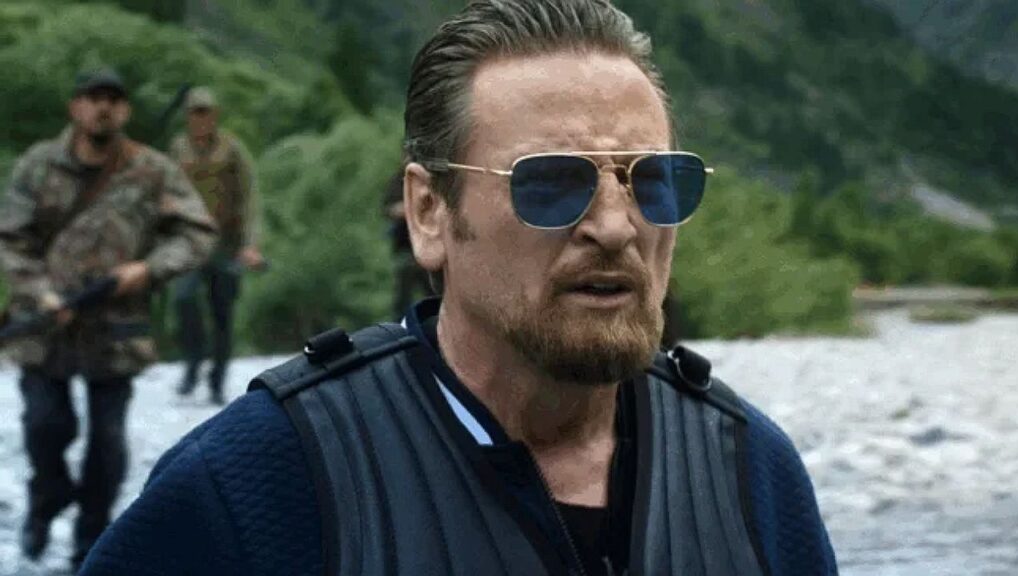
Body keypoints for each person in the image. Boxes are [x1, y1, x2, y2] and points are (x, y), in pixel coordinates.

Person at [82, 2, 837, 575]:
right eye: (551, 184)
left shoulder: (749, 470)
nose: (616, 226)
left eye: (655, 181)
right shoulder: (264, 479)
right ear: (429, 213)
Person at [0, 67, 217, 571]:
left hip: (116, 326)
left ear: (125, 110)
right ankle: (46, 497)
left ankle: (90, 544)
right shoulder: (38, 165)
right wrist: (41, 293)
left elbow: (197, 233)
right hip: (45, 326)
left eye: (113, 100)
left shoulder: (152, 170)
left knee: (107, 442)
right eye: (93, 98)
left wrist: (147, 269)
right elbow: (11, 238)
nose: (103, 108)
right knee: (45, 426)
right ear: (75, 107)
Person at [168, 86, 263, 405]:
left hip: (226, 243)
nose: (201, 119)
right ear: (187, 117)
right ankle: (193, 360)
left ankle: (217, 381)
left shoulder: (232, 148)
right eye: (195, 113)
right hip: (190, 242)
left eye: (205, 112)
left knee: (223, 312)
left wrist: (251, 245)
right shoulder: (178, 148)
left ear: (215, 115)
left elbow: (249, 198)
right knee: (183, 299)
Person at [384, 171, 433, 318]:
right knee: (402, 297)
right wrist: (410, 208)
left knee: (432, 294)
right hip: (406, 250)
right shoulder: (398, 181)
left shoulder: (429, 178)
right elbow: (389, 208)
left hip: (429, 249)